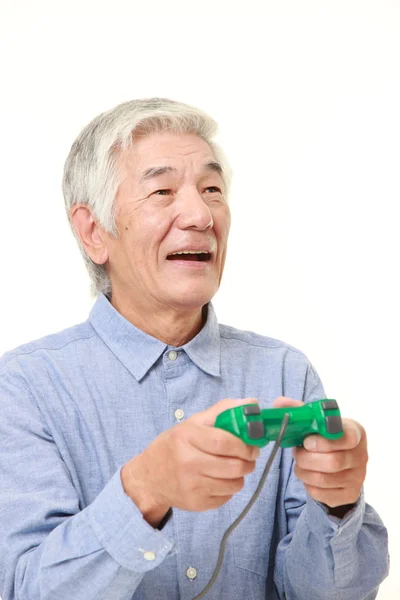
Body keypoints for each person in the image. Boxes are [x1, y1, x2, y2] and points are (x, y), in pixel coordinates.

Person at [0, 98, 389, 600]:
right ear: (94, 231)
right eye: (162, 191)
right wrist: (144, 490)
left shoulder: (285, 372)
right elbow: (25, 589)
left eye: (212, 190)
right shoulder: (24, 388)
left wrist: (338, 505)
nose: (201, 214)